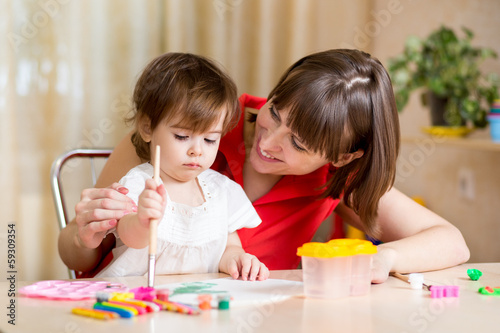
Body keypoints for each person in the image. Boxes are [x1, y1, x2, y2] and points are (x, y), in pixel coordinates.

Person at [58, 49, 470, 283]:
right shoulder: (199, 122)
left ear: (342, 157)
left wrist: (381, 259)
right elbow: (77, 256)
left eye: (298, 143)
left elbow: (451, 241)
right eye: (275, 112)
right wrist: (84, 234)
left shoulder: (334, 178)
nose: (268, 142)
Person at [93, 52, 269, 280]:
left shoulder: (221, 190)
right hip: (137, 295)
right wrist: (142, 222)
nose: (197, 150)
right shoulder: (140, 182)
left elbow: (229, 247)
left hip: (197, 299)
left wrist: (238, 258)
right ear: (147, 128)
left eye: (210, 139)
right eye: (182, 136)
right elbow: (130, 237)